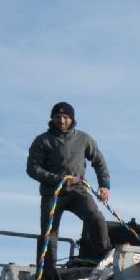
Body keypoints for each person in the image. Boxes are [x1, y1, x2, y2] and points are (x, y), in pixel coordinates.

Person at [25, 101, 112, 263]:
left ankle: (105, 257)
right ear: (52, 118)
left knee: (96, 217)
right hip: (52, 194)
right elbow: (32, 168)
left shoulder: (84, 139)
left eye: (65, 117)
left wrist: (104, 185)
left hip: (77, 191)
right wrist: (57, 179)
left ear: (71, 119)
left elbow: (99, 161)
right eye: (58, 117)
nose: (62, 121)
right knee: (49, 235)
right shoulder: (42, 140)